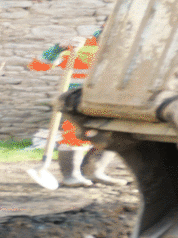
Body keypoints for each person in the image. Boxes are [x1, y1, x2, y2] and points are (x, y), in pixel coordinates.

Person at [29, 34, 125, 187]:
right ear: (104, 27)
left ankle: (94, 171)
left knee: (114, 136)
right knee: (74, 135)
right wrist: (58, 48)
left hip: (113, 100)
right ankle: (71, 176)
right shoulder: (80, 47)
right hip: (79, 100)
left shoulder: (127, 48)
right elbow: (37, 66)